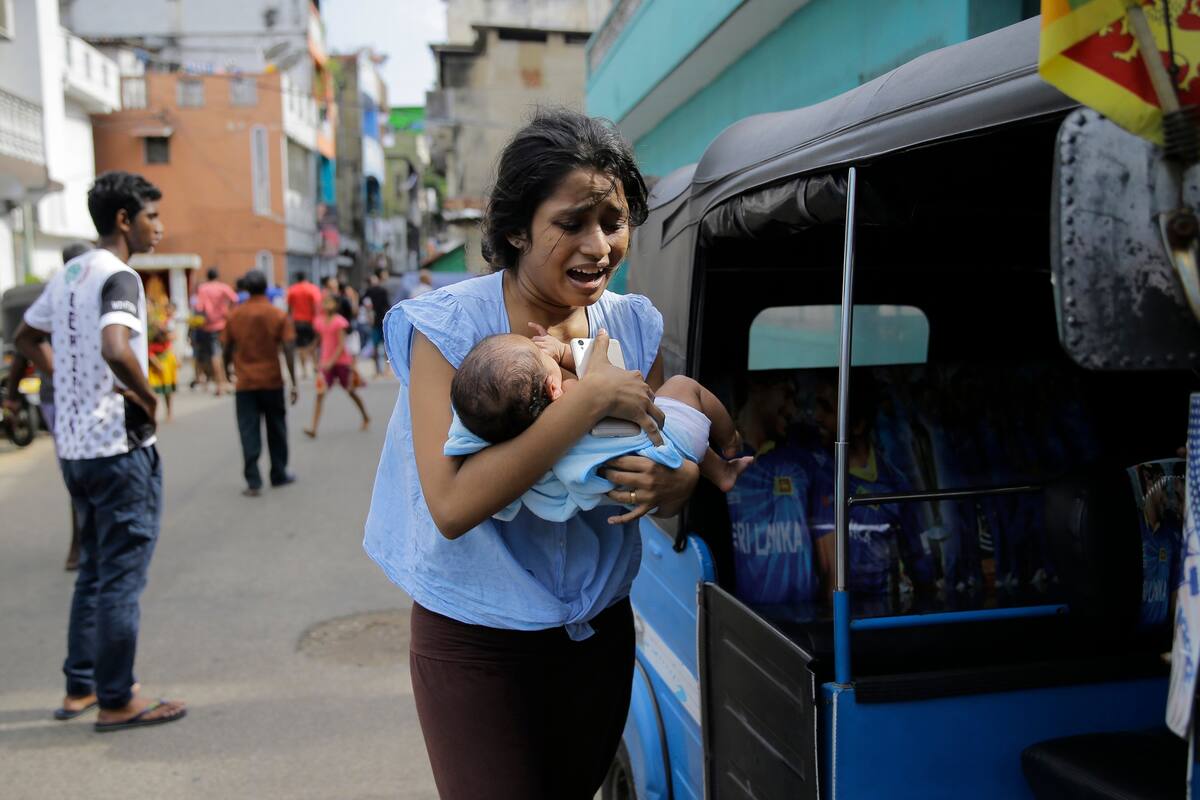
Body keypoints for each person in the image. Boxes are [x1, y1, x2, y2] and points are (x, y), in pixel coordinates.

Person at [363, 108, 700, 800]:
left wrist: (681, 479)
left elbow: (663, 434)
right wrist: (586, 401)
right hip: (476, 639)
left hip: (599, 629)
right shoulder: (451, 327)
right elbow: (452, 505)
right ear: (516, 228)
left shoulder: (633, 324)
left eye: (613, 221)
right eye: (571, 223)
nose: (599, 245)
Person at [11, 170, 186, 731]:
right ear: (123, 220)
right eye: (151, 217)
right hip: (118, 446)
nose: (158, 227)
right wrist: (147, 397)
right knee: (120, 577)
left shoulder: (68, 273)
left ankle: (81, 686)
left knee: (93, 569)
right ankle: (117, 699)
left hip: (76, 450)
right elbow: (116, 345)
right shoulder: (119, 277)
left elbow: (25, 337)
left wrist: (58, 377)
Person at [446, 332, 751, 522]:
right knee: (683, 387)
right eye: (542, 355)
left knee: (676, 422)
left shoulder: (526, 443)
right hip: (667, 443)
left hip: (638, 480)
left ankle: (721, 472)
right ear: (553, 388)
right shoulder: (577, 395)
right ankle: (730, 440)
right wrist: (563, 351)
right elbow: (599, 369)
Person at [4, 241, 90, 571]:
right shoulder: (58, 297)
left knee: (81, 469)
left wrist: (12, 397)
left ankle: (85, 541)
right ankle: (80, 542)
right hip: (61, 397)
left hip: (65, 398)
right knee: (80, 469)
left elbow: (20, 349)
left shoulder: (66, 295)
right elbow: (23, 346)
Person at [222, 269, 299, 497]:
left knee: (248, 431)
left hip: (245, 383)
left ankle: (253, 480)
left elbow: (226, 347)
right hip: (272, 380)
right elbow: (288, 348)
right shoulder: (277, 314)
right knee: (277, 428)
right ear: (266, 288)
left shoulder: (235, 316)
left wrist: (227, 370)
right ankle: (279, 473)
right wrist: (294, 381)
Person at [304, 291, 369, 437]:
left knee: (351, 391)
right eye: (325, 302)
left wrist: (331, 362)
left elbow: (341, 345)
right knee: (320, 394)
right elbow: (320, 339)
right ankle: (313, 428)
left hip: (341, 362)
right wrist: (312, 348)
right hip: (326, 363)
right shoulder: (319, 321)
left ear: (336, 305)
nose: (326, 304)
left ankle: (365, 416)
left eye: (329, 302)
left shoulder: (339, 321)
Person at [193, 267, 238, 396]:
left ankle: (220, 384)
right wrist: (228, 311)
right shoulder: (223, 287)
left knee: (215, 355)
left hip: (209, 325)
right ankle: (223, 382)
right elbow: (234, 299)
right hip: (223, 324)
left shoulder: (203, 288)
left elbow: (199, 306)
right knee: (221, 353)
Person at [286, 272, 322, 379]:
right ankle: (315, 366)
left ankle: (304, 370)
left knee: (300, 346)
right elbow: (317, 306)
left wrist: (289, 320)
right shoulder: (312, 289)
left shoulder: (292, 290)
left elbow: (289, 307)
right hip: (311, 321)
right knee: (313, 344)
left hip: (297, 321)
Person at [146, 300, 178, 422]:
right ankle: (152, 415)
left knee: (167, 388)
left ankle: (169, 413)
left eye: (148, 305)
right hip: (151, 357)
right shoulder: (142, 322)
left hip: (164, 356)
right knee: (152, 389)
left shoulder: (160, 320)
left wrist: (162, 332)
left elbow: (173, 335)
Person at [362, 270, 391, 377]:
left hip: (374, 321)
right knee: (385, 347)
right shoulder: (383, 290)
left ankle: (377, 370)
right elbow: (387, 305)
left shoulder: (368, 291)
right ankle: (386, 370)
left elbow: (364, 303)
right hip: (383, 320)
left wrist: (369, 314)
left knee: (375, 346)